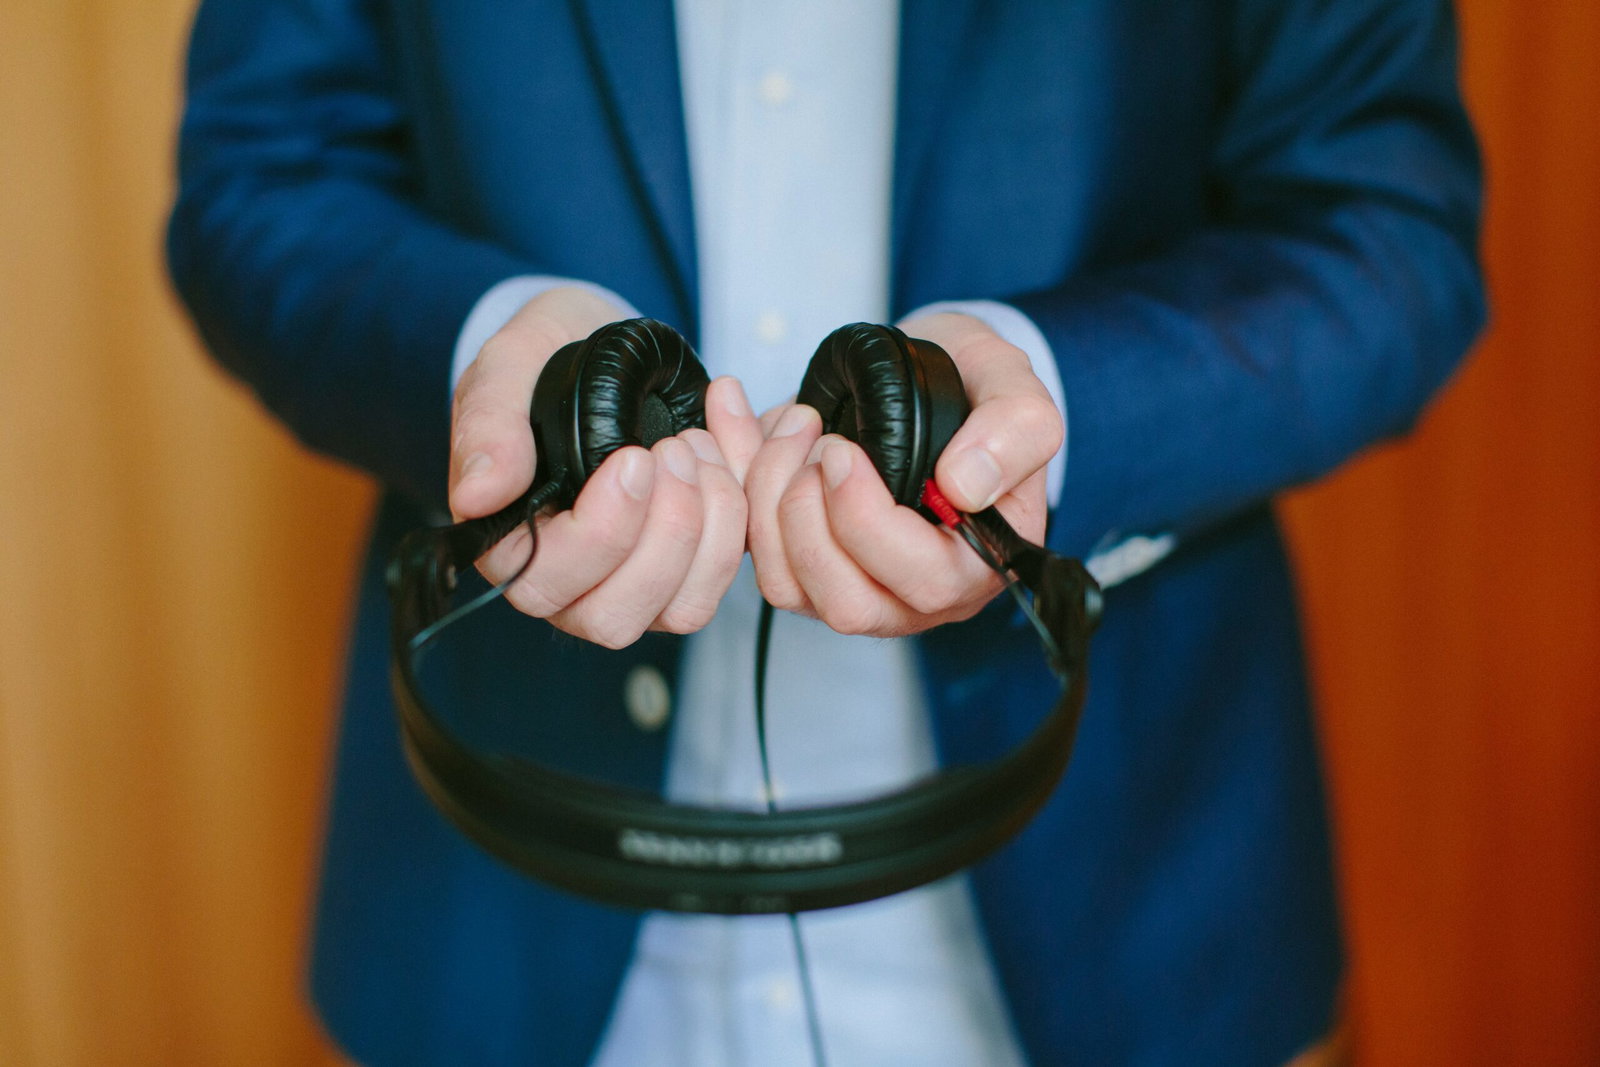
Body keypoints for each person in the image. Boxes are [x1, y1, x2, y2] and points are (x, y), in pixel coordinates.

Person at [167, 1, 1484, 1064]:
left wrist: (1054, 405)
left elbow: (1388, 232)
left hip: (1133, 914)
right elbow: (259, 175)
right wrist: (483, 365)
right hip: (502, 930)